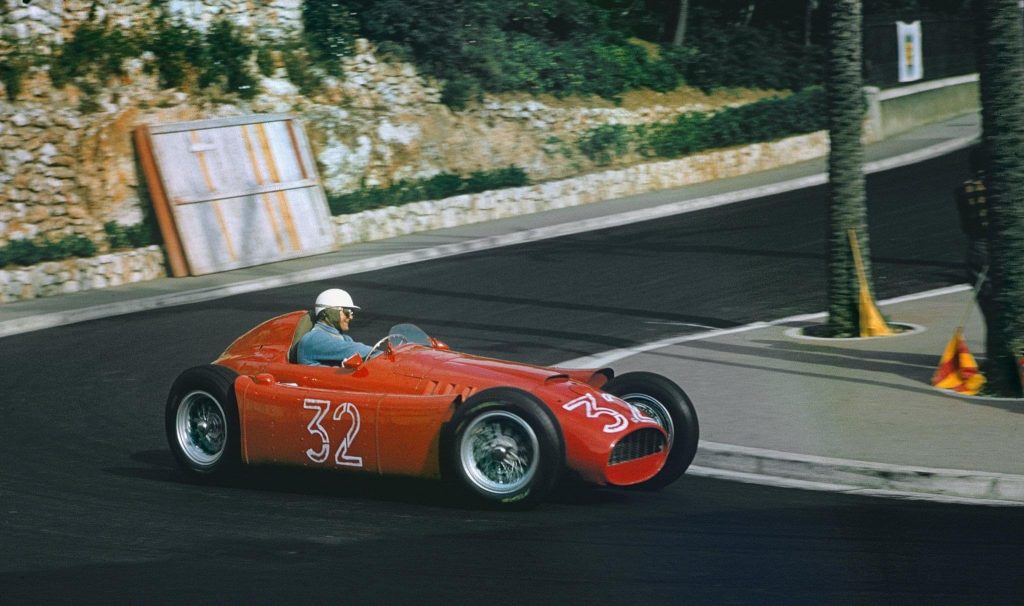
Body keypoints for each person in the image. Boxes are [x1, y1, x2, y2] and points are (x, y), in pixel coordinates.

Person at [954, 147, 993, 321]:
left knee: (986, 299)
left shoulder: (962, 191)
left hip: (977, 247)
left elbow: (965, 225)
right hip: (1004, 245)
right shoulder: (1007, 188)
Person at [296, 288, 373, 366]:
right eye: (347, 312)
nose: (350, 317)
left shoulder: (345, 339)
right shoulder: (313, 339)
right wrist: (380, 355)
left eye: (351, 312)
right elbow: (358, 351)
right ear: (326, 312)